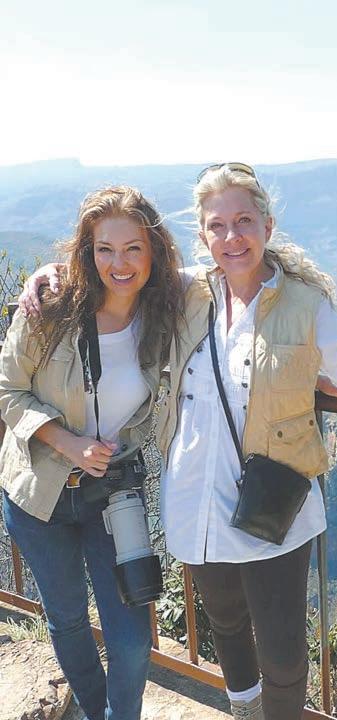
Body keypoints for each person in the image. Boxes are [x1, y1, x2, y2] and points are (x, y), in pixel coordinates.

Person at [20, 165, 337, 720]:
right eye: (218, 225)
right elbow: (121, 270)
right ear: (203, 235)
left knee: (282, 656)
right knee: (226, 625)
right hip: (197, 504)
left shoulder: (304, 305)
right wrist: (54, 270)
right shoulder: (188, 292)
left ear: (267, 226)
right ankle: (244, 711)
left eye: (244, 222)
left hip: (270, 506)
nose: (232, 237)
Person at [0, 186, 184, 720]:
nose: (119, 264)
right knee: (68, 620)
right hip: (40, 494)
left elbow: (230, 282)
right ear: (87, 250)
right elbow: (8, 389)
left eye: (133, 248)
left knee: (132, 638)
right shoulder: (50, 309)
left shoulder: (164, 315)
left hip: (113, 493)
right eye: (105, 248)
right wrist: (69, 443)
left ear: (154, 251)